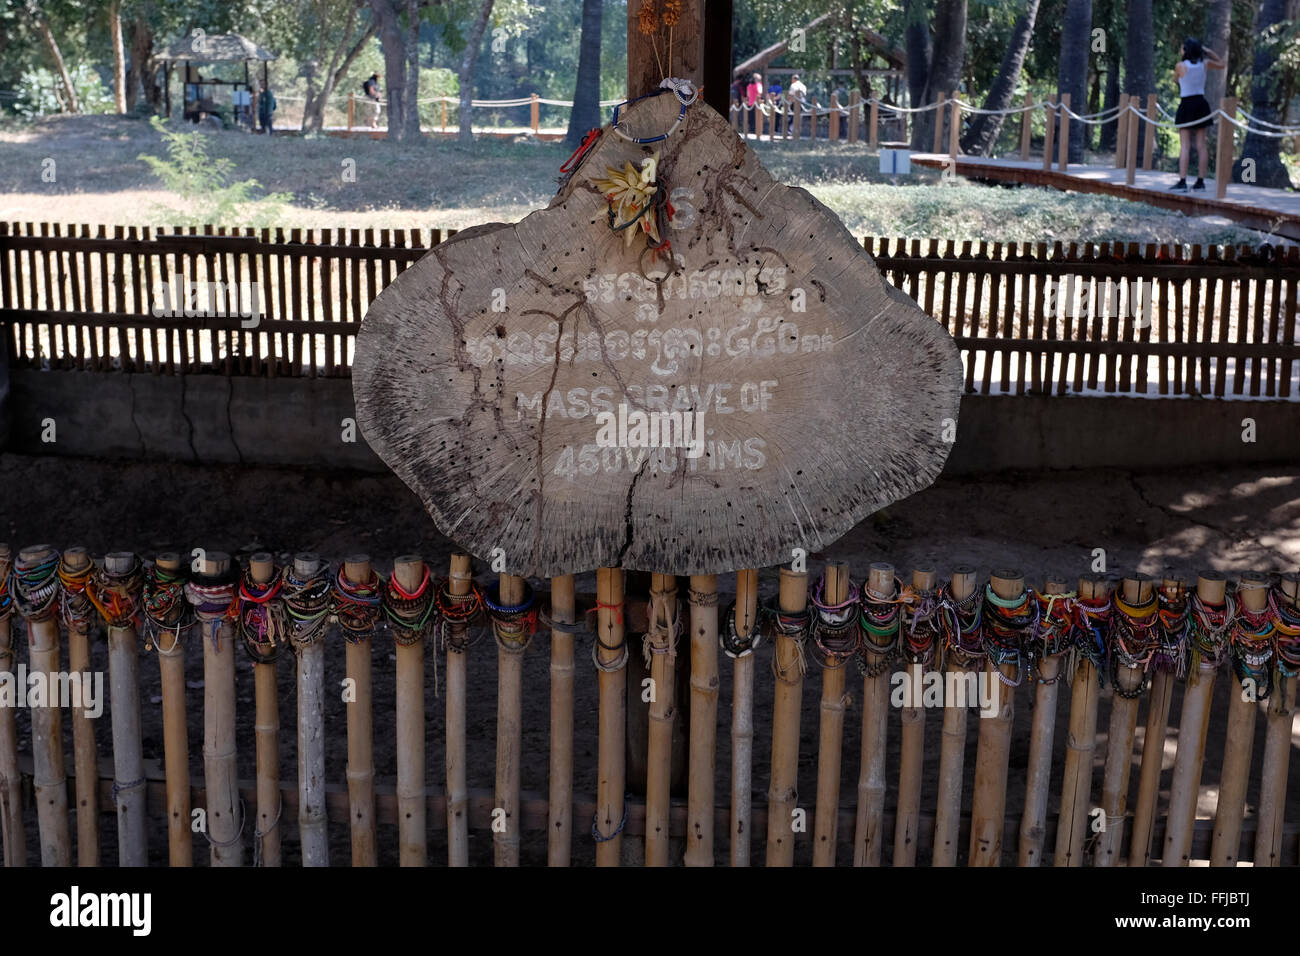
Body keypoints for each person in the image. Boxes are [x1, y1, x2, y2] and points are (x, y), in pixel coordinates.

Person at [1170, 37, 1224, 191]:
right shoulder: (1205, 64)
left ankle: (1182, 181)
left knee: (1185, 145)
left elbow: (1175, 80)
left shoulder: (1180, 66)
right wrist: (1206, 50)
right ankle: (1200, 182)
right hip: (1201, 104)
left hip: (1186, 104)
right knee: (1201, 145)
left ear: (1186, 50)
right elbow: (1222, 63)